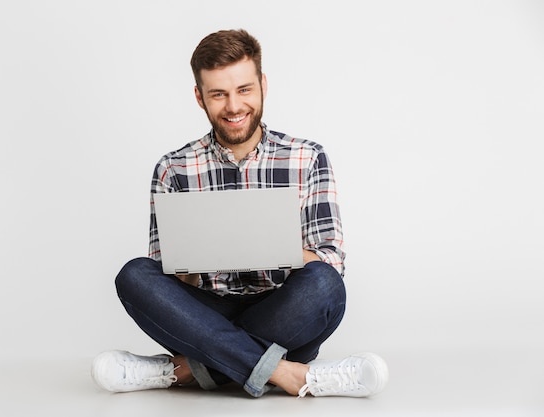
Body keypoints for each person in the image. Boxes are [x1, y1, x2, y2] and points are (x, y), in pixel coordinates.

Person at [91, 29, 389, 398]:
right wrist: (191, 261)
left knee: (324, 286)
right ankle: (290, 374)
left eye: (244, 90)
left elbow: (330, 261)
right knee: (135, 275)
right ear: (200, 97)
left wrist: (266, 244)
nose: (233, 107)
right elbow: (165, 278)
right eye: (219, 94)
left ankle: (183, 370)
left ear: (262, 85)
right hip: (205, 313)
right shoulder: (173, 168)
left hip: (282, 311)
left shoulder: (308, 157)